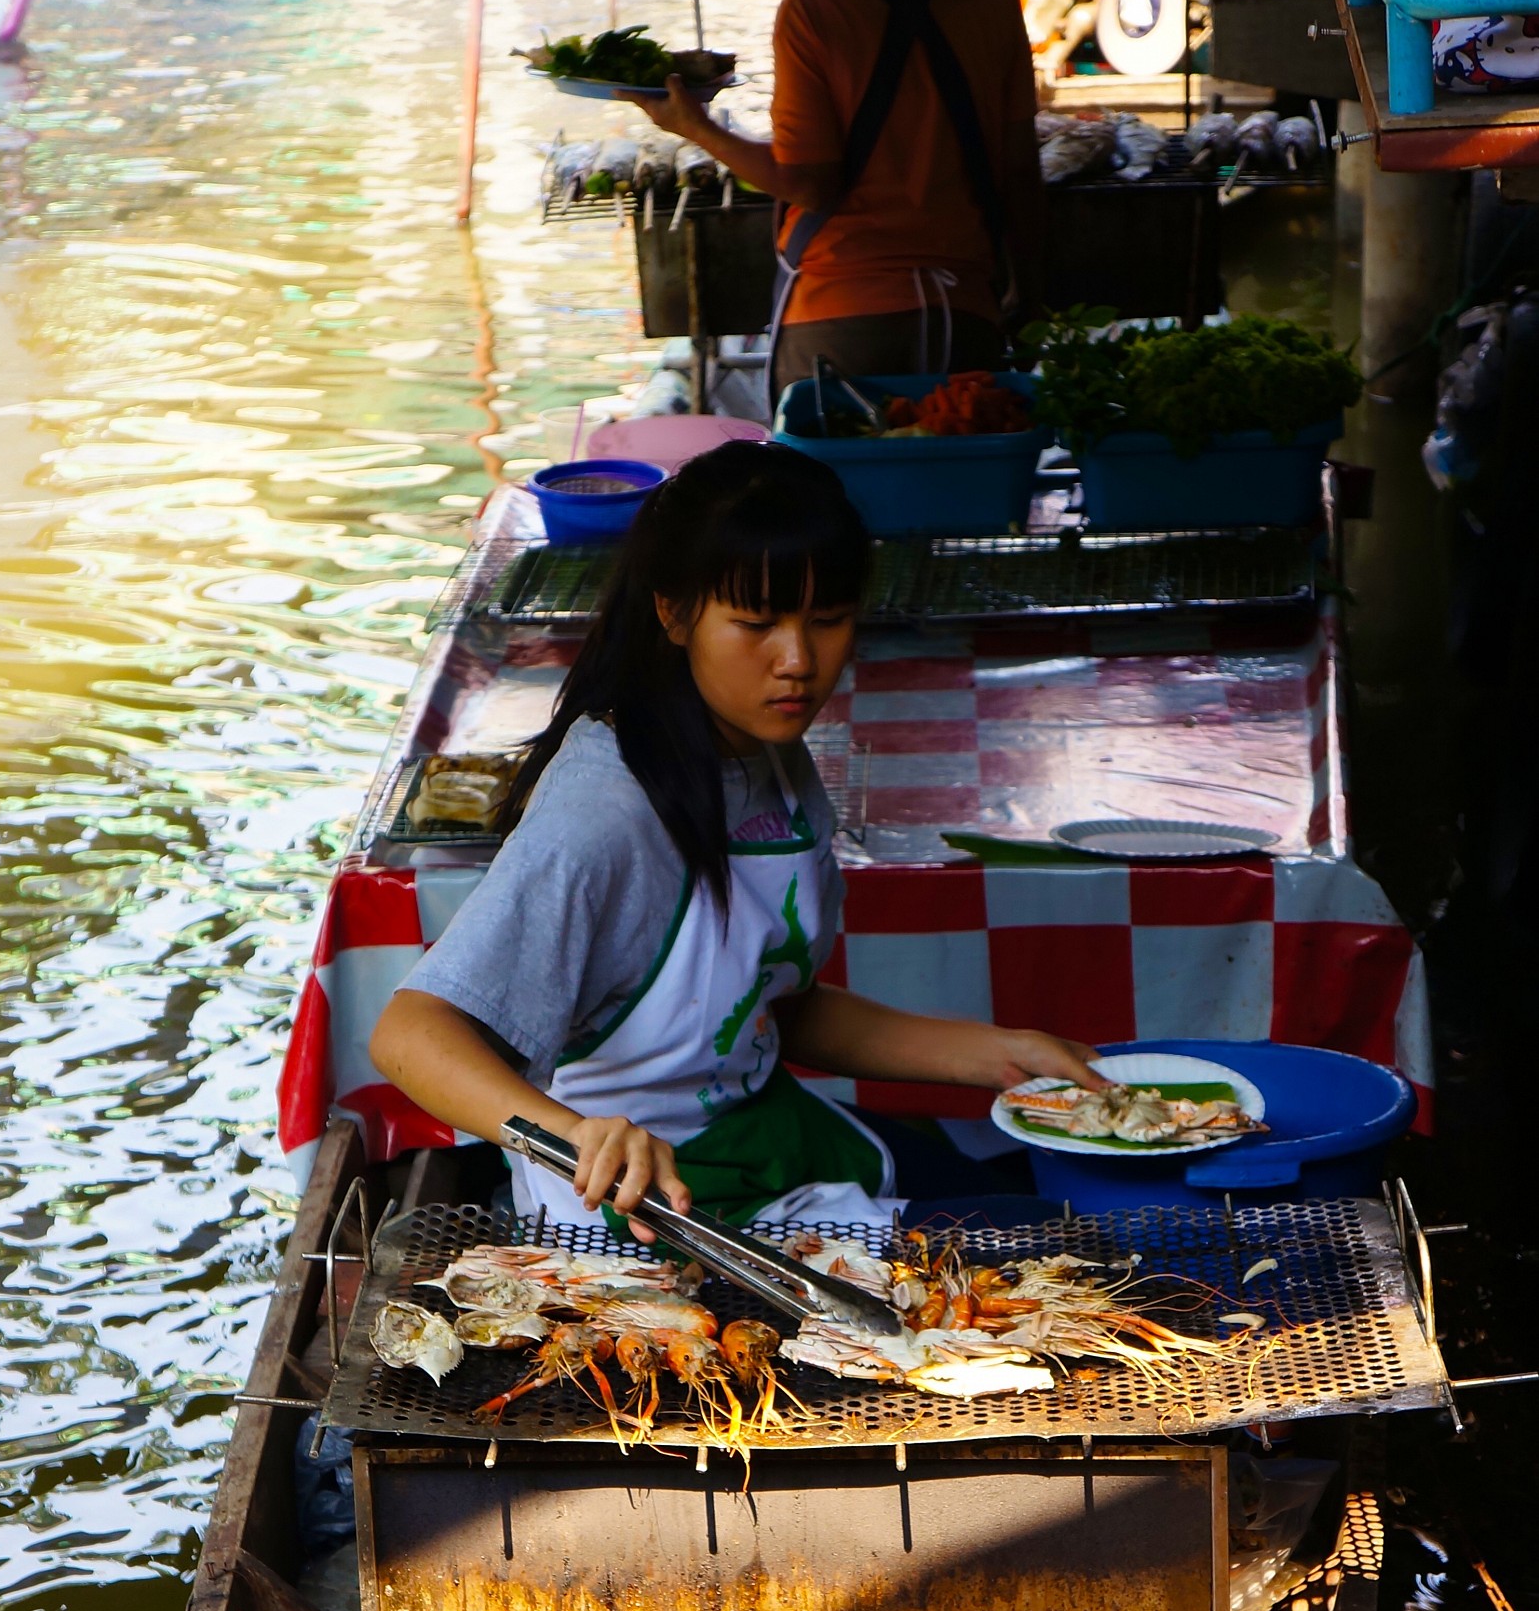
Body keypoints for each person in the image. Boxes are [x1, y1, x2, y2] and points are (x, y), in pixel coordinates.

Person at [370, 443, 1095, 1236]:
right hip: (651, 1206)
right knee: (1045, 1241)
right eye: (756, 623)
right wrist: (573, 1134)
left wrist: (999, 1054)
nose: (798, 662)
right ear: (673, 613)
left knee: (1051, 1209)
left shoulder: (764, 752)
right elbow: (409, 1034)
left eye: (828, 621)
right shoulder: (604, 813)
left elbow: (768, 1006)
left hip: (762, 1135)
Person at [619, 0, 1045, 397]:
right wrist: (1028, 291)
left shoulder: (814, 11)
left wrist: (695, 127)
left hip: (842, 323)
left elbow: (808, 182)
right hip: (965, 318)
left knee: (831, 495)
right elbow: (1019, 168)